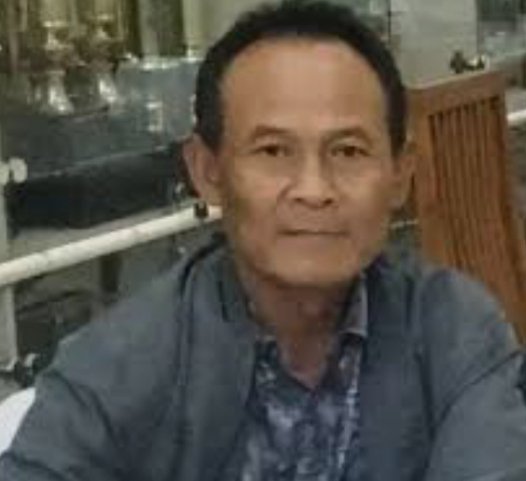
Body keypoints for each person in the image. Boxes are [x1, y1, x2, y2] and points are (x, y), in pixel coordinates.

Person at [2, 1, 526, 480]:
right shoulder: (118, 366)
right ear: (208, 172)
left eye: (348, 151)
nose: (314, 190)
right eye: (273, 151)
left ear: (399, 175)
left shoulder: (452, 332)